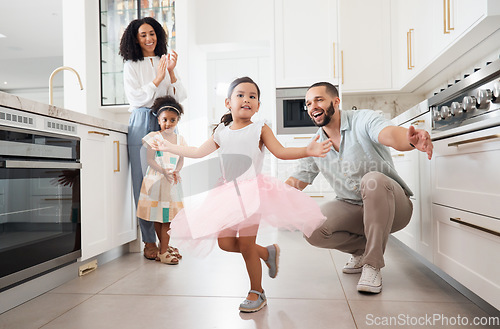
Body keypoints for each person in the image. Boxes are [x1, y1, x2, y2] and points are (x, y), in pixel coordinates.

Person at [150, 77, 331, 313]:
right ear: (228, 102)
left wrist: (308, 150)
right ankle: (267, 252)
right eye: (241, 95)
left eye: (252, 96)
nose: (247, 99)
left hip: (253, 193)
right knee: (225, 243)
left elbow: (281, 151)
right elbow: (196, 152)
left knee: (246, 245)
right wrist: (167, 146)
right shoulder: (221, 132)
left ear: (258, 105)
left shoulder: (260, 128)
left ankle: (257, 291)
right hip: (225, 193)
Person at [285, 82, 433, 294]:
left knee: (372, 180)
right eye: (308, 103)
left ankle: (372, 265)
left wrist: (409, 140)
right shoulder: (316, 144)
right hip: (353, 208)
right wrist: (268, 197)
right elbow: (295, 183)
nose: (312, 107)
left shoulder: (363, 119)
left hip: (393, 206)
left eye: (318, 100)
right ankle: (361, 251)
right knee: (312, 227)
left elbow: (389, 134)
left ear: (336, 102)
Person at [119, 16, 187, 260]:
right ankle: (149, 242)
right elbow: (137, 99)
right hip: (141, 121)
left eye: (152, 33)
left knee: (168, 182)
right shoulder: (131, 65)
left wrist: (170, 72)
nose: (149, 38)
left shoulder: (164, 61)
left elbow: (181, 96)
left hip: (166, 121)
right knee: (145, 183)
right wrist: (157, 79)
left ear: (158, 35)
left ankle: (164, 242)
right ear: (135, 39)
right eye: (143, 35)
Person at [136, 95, 185, 265]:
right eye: (165, 119)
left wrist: (176, 171)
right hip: (156, 180)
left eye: (172, 120)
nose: (168, 123)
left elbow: (181, 159)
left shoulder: (179, 140)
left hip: (171, 182)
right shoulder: (153, 137)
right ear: (158, 119)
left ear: (177, 121)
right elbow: (149, 160)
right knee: (160, 216)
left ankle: (164, 247)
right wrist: (163, 170)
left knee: (168, 217)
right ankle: (163, 251)